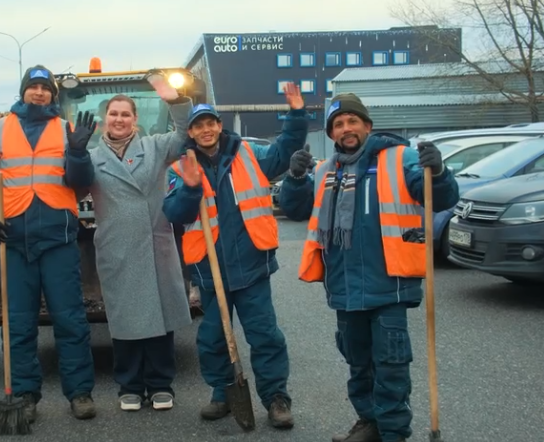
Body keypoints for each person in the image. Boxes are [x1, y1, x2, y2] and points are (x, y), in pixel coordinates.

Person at [279, 93, 459, 442]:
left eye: (352, 121)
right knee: (358, 363)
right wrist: (295, 178)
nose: (346, 129)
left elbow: (441, 197)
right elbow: (295, 208)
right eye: (338, 124)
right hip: (344, 287)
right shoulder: (325, 170)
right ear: (332, 133)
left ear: (367, 126)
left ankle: (393, 433)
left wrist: (438, 172)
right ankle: (369, 423)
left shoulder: (400, 158)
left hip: (389, 285)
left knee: (390, 367)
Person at [162, 82, 307, 429]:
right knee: (212, 339)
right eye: (198, 126)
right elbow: (174, 213)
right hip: (209, 271)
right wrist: (192, 187)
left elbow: (286, 147)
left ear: (218, 125)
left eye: (210, 123)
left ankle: (275, 398)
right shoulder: (180, 168)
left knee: (265, 335)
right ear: (191, 132)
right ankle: (223, 393)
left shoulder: (249, 154)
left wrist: (297, 114)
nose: (206, 130)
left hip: (252, 264)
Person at [0, 64, 97, 422]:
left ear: (53, 95)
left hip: (58, 238)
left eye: (45, 88)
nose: (39, 92)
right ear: (23, 91)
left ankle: (80, 392)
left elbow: (81, 184)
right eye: (33, 86)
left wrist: (78, 153)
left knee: (70, 320)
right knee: (19, 323)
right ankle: (24, 393)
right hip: (14, 239)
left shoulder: (67, 129)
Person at [84, 77, 193, 412]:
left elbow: (185, 135)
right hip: (117, 247)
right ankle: (129, 385)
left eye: (125, 114)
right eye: (113, 114)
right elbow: (72, 180)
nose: (119, 119)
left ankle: (161, 384)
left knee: (161, 315)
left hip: (154, 243)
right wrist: (73, 152)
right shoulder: (90, 158)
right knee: (124, 318)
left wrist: (176, 102)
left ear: (136, 120)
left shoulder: (156, 147)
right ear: (104, 121)